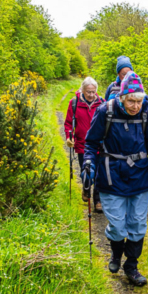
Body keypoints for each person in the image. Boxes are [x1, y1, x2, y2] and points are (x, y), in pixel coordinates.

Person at [84, 72, 148, 287]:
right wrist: (89, 164)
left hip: (139, 174)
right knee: (118, 225)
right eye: (131, 100)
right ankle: (115, 254)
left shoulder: (146, 114)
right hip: (112, 175)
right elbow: (91, 144)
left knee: (137, 223)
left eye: (139, 101)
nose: (135, 106)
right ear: (121, 97)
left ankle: (131, 266)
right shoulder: (106, 112)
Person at [64, 77, 105, 211]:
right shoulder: (74, 103)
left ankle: (97, 200)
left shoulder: (102, 103)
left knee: (99, 172)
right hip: (82, 145)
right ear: (82, 90)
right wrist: (69, 137)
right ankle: (86, 187)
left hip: (99, 145)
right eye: (88, 92)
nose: (91, 95)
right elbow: (68, 123)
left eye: (93, 92)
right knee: (86, 171)